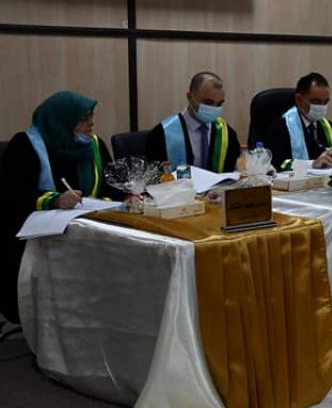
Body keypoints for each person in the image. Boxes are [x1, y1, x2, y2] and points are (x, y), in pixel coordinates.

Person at [1, 92, 118, 324]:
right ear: (61, 121)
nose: (91, 124)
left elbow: (112, 185)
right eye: (83, 119)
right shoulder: (26, 145)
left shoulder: (93, 144)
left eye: (92, 117)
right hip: (39, 235)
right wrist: (54, 200)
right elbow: (14, 195)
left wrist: (129, 195)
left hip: (91, 227)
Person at [145, 71, 241, 173]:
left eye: (219, 104)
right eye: (208, 102)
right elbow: (152, 177)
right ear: (190, 97)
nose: (214, 108)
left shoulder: (228, 135)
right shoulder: (161, 134)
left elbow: (234, 173)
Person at [264, 72, 332, 170]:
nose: (322, 107)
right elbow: (276, 163)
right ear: (299, 100)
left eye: (325, 102)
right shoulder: (280, 128)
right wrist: (312, 164)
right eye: (316, 102)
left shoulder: (329, 127)